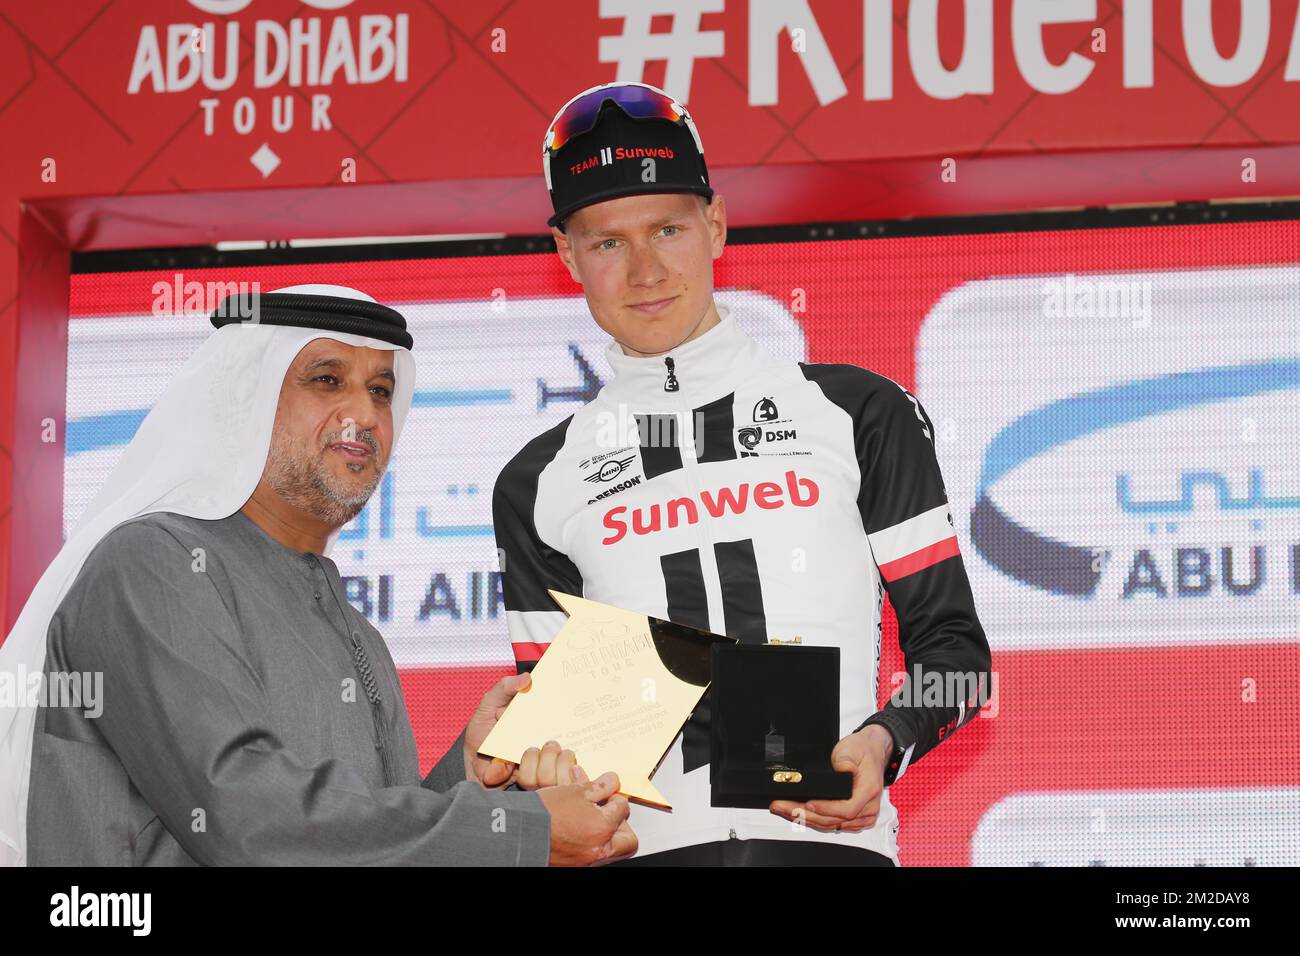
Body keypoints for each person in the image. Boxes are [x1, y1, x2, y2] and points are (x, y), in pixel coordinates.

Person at [491, 82, 993, 865]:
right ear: (567, 255)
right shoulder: (535, 481)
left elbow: (956, 656)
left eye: (668, 228)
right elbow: (548, 735)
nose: (646, 270)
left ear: (716, 224)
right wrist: (535, 769)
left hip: (830, 850)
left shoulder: (857, 412)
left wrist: (886, 740)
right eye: (608, 243)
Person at [0, 285, 634, 866]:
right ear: (245, 400)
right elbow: (248, 818)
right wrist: (519, 829)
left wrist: (466, 773)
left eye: (381, 391)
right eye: (327, 380)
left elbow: (351, 843)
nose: (362, 413)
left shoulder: (354, 627)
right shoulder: (152, 565)